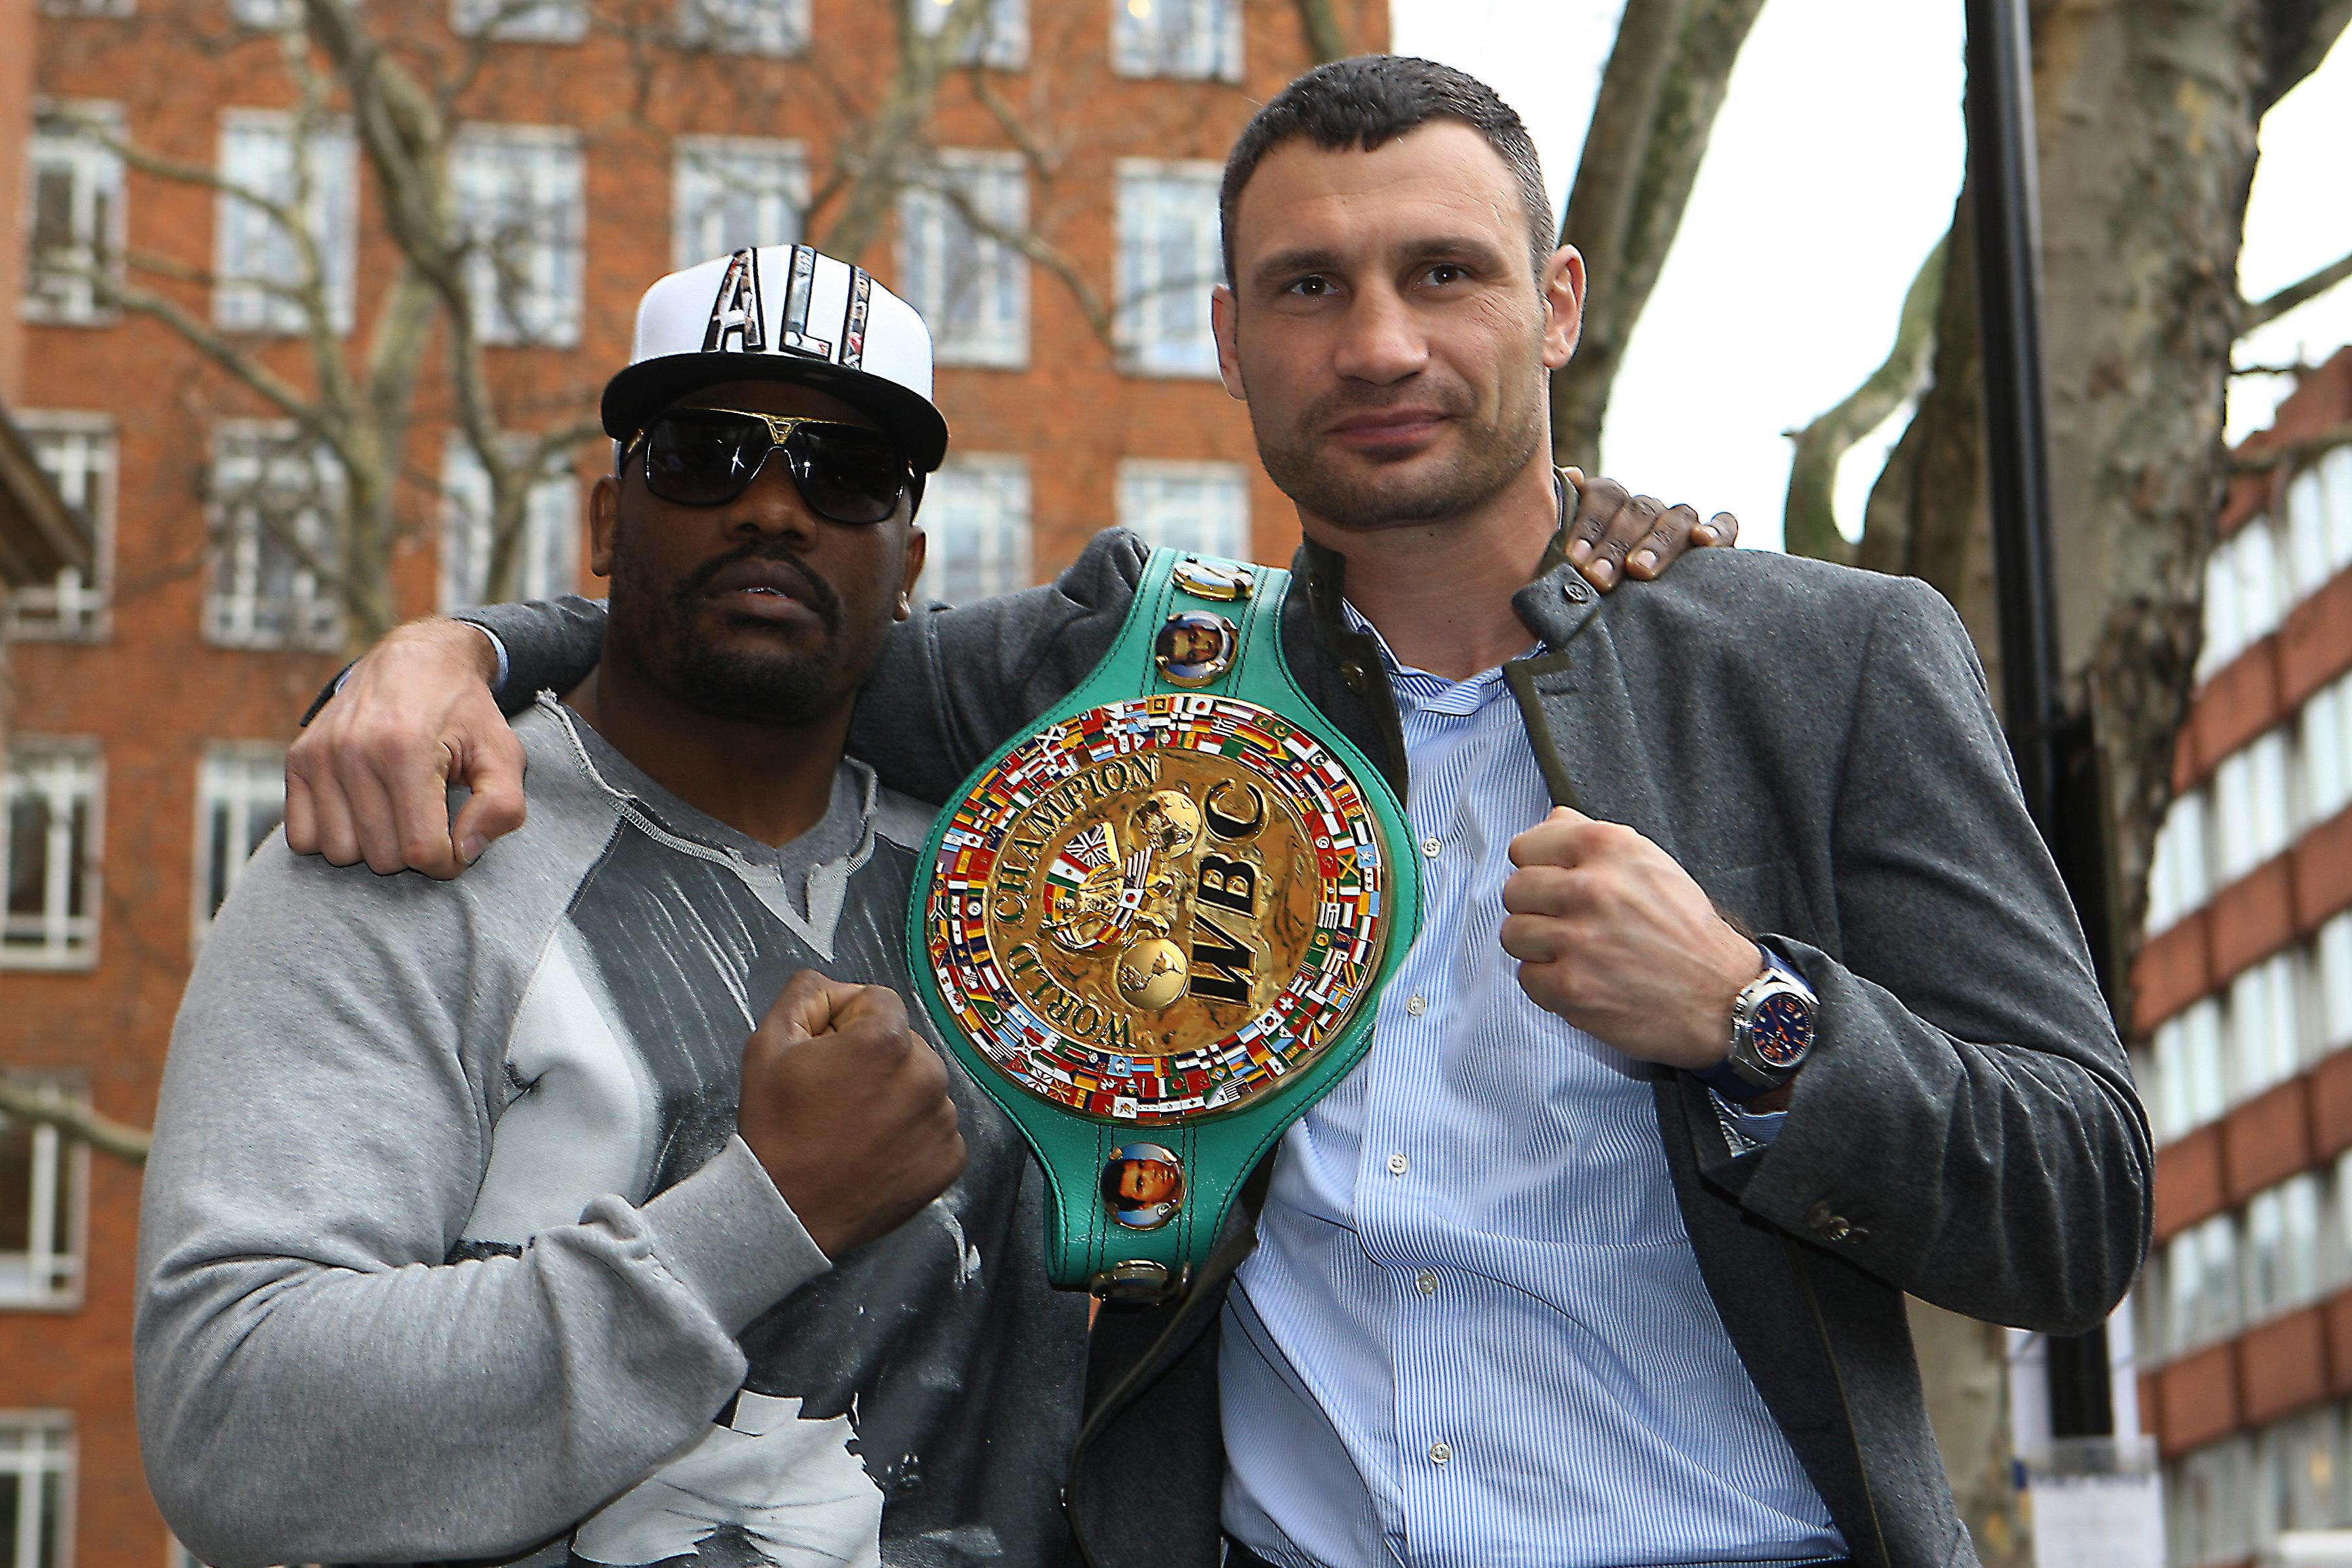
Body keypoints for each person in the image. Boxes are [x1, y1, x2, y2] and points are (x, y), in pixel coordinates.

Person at [279, 58, 2150, 1568]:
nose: (1381, 345)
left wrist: (1757, 1016)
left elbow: (2075, 1203)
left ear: (1557, 301)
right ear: (1227, 337)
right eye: (1308, 288)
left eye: (1445, 272)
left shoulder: (1828, 665)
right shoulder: (1120, 670)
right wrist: (456, 648)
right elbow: (756, 628)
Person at [137, 253, 1090, 1568]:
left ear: (910, 559)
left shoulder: (1012, 892)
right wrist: (763, 1215)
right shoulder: (412, 847)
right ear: (603, 524)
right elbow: (233, 1424)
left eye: (845, 473)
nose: (773, 509)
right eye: (705, 455)